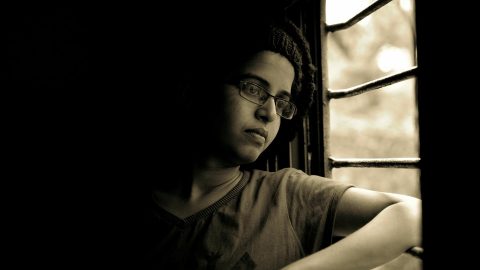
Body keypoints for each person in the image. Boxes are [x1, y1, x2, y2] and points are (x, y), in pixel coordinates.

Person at [139, 6, 422, 270]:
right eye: (253, 88)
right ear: (201, 88)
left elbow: (412, 215)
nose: (269, 113)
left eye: (282, 102)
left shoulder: (288, 196)